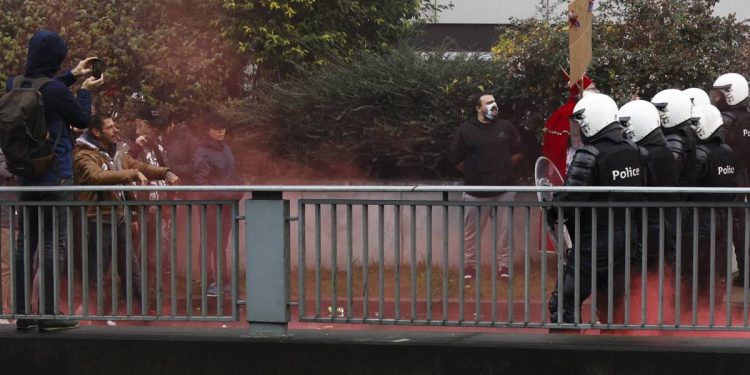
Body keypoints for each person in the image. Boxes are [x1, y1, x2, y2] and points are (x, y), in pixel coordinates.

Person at [5, 30, 103, 331]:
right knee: (52, 242)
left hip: (25, 174)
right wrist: (84, 89)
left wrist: (71, 75)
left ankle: (23, 314)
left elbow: (45, 91)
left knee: (26, 242)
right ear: (55, 58)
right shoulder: (56, 92)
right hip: (54, 174)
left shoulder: (15, 84)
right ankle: (48, 313)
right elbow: (82, 120)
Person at [548, 93, 644, 324]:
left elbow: (571, 200)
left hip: (595, 238)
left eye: (581, 123)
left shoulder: (589, 154)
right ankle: (614, 347)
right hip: (627, 235)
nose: (579, 129)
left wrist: (552, 209)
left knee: (564, 301)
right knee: (613, 300)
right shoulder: (633, 150)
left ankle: (565, 352)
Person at [73, 114, 180, 315]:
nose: (116, 130)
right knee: (98, 270)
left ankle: (139, 309)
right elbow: (96, 176)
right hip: (98, 218)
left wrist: (166, 172)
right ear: (96, 132)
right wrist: (130, 174)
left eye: (115, 126)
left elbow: (142, 167)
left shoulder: (118, 153)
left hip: (120, 217)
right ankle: (93, 312)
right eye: (110, 127)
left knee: (132, 268)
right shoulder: (83, 155)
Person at [448, 92, 522, 280]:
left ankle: (504, 268)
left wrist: (504, 170)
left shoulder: (506, 127)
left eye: (494, 101)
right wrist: (475, 173)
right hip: (476, 192)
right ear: (478, 108)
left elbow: (518, 151)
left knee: (505, 232)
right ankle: (469, 269)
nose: (494, 105)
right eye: (488, 102)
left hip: (504, 190)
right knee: (471, 233)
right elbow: (455, 159)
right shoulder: (466, 130)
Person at [618, 100, 679, 270]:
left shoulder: (651, 154)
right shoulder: (661, 149)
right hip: (660, 223)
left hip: (652, 225)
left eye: (625, 124)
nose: (622, 130)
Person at [687, 104, 736, 306]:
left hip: (702, 216)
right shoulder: (727, 150)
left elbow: (689, 181)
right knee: (717, 261)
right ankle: (713, 304)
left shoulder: (701, 154)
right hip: (723, 215)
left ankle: (697, 306)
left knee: (698, 262)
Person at [191, 112, 241, 296]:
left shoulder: (225, 148)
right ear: (208, 130)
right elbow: (200, 180)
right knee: (209, 243)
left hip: (226, 203)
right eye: (217, 129)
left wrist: (237, 191)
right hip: (211, 205)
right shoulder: (202, 152)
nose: (221, 132)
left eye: (223, 129)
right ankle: (209, 282)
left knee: (221, 244)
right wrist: (223, 194)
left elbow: (234, 172)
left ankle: (223, 280)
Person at [710, 73, 750, 286]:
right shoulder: (747, 117)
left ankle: (719, 279)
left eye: (720, 95)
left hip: (728, 178)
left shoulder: (726, 121)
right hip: (743, 177)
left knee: (723, 228)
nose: (716, 99)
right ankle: (745, 273)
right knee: (740, 228)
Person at [129, 105, 173, 289]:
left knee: (157, 255)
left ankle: (145, 297)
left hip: (159, 209)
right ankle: (130, 299)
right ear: (140, 123)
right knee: (135, 255)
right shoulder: (128, 144)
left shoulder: (158, 146)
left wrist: (167, 204)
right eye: (151, 125)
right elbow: (122, 169)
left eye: (157, 125)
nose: (155, 129)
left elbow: (166, 174)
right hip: (139, 209)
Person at [542, 71, 597, 177]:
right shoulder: (566, 112)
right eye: (592, 89)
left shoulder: (592, 108)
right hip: (572, 163)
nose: (596, 91)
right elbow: (560, 146)